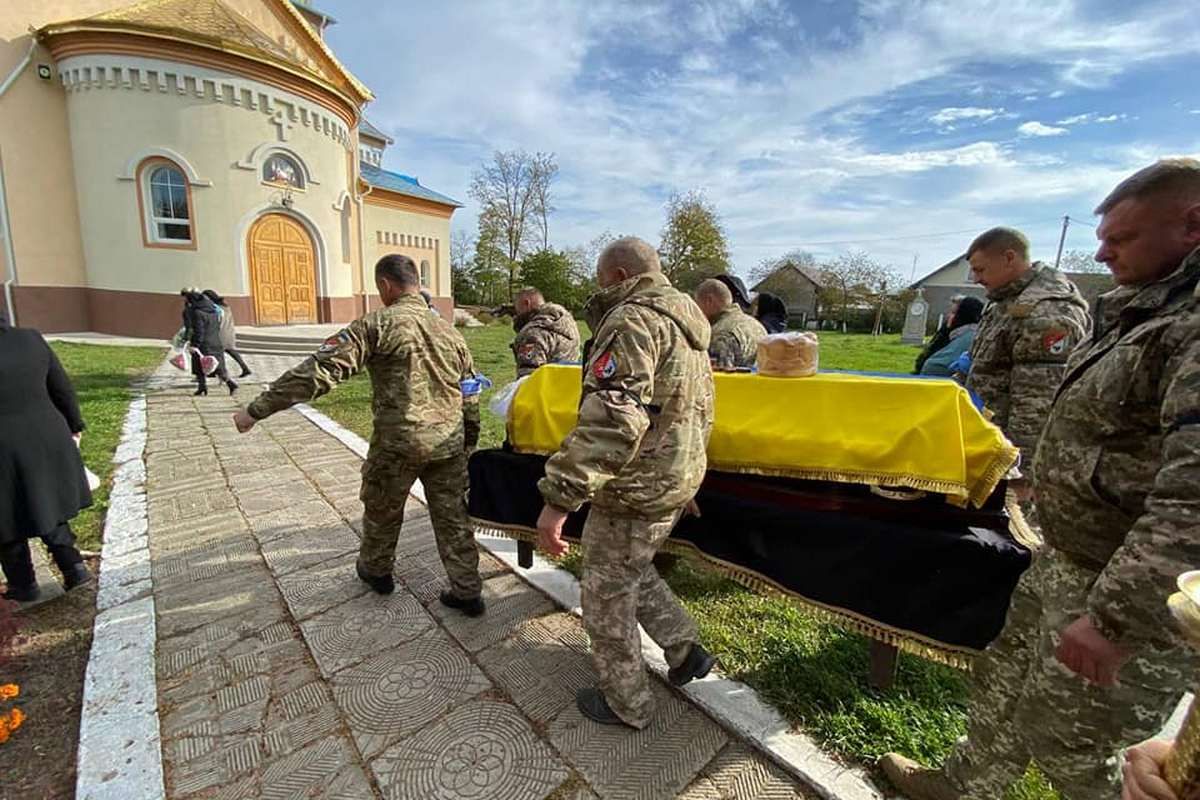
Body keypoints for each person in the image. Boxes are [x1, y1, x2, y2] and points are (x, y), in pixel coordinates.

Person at [881, 158, 1200, 799]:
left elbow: (1190, 499)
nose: (1102, 250)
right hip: (1068, 556)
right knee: (1002, 676)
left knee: (1073, 742)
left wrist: (1114, 619)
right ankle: (969, 785)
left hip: (1128, 587)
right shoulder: (1141, 311)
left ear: (1192, 225)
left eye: (1121, 237)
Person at [232, 254, 485, 613]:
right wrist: (467, 441)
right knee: (453, 518)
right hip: (447, 443)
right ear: (416, 283)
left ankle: (377, 572)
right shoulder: (450, 332)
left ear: (385, 285)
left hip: (399, 443)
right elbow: (470, 391)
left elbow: (318, 372)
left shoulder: (376, 324)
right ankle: (468, 591)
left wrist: (255, 410)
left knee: (382, 508)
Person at [535, 236, 716, 729]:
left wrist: (559, 498)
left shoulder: (633, 318)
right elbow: (698, 410)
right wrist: (689, 475)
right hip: (674, 478)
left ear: (617, 276)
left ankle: (626, 701)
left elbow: (614, 417)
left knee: (605, 590)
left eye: (600, 281)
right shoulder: (689, 325)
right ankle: (684, 651)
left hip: (637, 486)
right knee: (629, 569)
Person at [961, 228, 1090, 473]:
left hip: (1012, 459)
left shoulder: (1045, 312)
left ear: (1009, 258)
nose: (976, 278)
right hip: (988, 442)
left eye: (980, 269)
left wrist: (1020, 473)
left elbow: (1036, 404)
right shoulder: (1005, 302)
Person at [0, 316, 93, 600]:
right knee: (46, 501)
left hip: (3, 444)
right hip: (45, 434)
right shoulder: (31, 338)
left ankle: (23, 584)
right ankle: (74, 568)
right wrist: (74, 424)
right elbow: (61, 386)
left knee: (5, 517)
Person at [694, 278, 767, 369]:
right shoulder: (758, 326)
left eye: (697, 303)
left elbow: (718, 378)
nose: (696, 310)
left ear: (709, 300)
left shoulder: (720, 334)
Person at [510, 287, 582, 378]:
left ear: (526, 303)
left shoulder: (532, 333)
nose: (517, 313)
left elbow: (528, 378)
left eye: (517, 308)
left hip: (546, 389)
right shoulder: (566, 321)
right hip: (570, 385)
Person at [181, 289, 237, 396]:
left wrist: (195, 344)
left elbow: (199, 330)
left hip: (204, 344)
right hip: (215, 341)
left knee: (202, 365)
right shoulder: (213, 311)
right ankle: (203, 387)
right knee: (214, 366)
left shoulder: (198, 313)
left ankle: (230, 384)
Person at [919, 296, 984, 378]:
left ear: (964, 315)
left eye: (953, 313)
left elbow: (935, 366)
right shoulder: (953, 334)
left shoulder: (969, 336)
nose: (949, 316)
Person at [201, 289, 251, 378]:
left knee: (216, 352)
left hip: (220, 332)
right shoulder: (225, 306)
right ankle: (245, 368)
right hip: (228, 331)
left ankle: (219, 372)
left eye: (205, 298)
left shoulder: (215, 308)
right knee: (231, 351)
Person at [914, 294, 965, 374]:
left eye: (954, 313)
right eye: (950, 313)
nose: (950, 316)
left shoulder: (962, 338)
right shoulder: (944, 332)